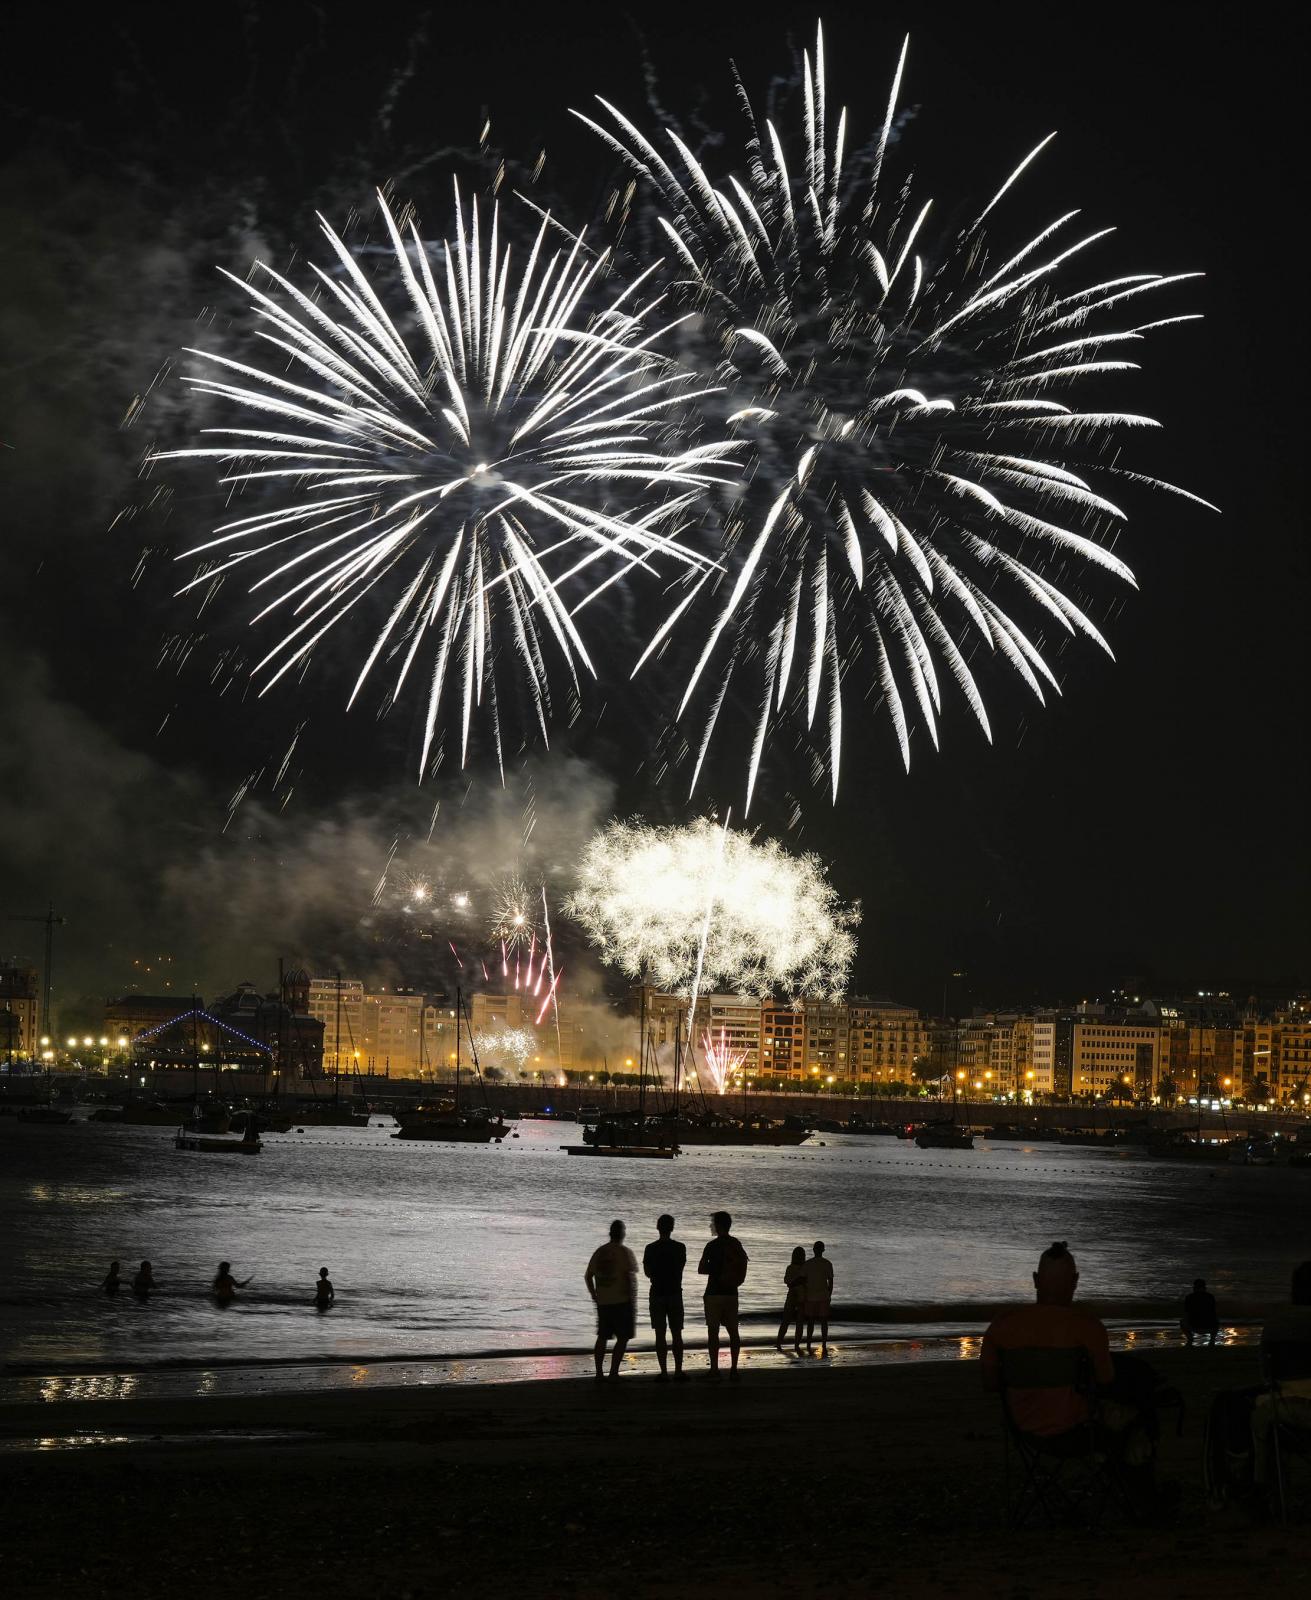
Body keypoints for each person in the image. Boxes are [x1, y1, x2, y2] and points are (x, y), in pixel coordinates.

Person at [982, 1242, 1171, 1518]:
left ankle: (1131, 1487)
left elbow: (990, 1384)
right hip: (1080, 1434)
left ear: (1035, 1280)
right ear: (1075, 1281)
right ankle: (1145, 1500)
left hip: (1024, 1432)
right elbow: (1106, 1380)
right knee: (1141, 1411)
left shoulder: (1002, 1325)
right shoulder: (1088, 1326)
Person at [1252, 1260, 1311, 1487]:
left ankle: (1263, 1486)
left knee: (1258, 1417)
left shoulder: (1277, 1324)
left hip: (1287, 1413)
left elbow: (1266, 1375)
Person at [584, 1220, 638, 1379]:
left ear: (610, 1233)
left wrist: (594, 1294)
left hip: (603, 1302)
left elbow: (588, 1276)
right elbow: (630, 1278)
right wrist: (632, 1300)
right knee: (623, 1337)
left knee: (602, 1337)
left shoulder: (599, 1251)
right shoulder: (625, 1252)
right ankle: (613, 1372)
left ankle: (599, 1373)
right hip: (621, 1301)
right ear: (622, 1234)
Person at [698, 1211, 748, 1377]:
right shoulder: (736, 1244)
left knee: (713, 1333)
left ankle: (714, 1369)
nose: (711, 1226)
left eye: (713, 1223)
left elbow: (701, 1268)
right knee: (733, 1332)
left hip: (714, 1293)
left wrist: (715, 1269)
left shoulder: (711, 1246)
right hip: (731, 1293)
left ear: (719, 1226)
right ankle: (734, 1369)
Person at [643, 1215, 687, 1380]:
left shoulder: (650, 1248)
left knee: (660, 1334)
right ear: (672, 1228)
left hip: (657, 1293)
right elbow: (680, 1268)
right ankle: (678, 1371)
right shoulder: (680, 1247)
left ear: (657, 1227)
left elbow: (647, 1273)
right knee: (677, 1333)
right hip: (675, 1292)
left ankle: (663, 1372)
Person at [803, 1241, 835, 1358]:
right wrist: (829, 1295)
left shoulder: (808, 1264)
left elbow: (803, 1279)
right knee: (823, 1322)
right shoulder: (827, 1263)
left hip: (811, 1296)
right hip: (823, 1296)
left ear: (813, 1250)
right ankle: (824, 1344)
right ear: (823, 1250)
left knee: (811, 1321)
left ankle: (808, 1343)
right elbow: (830, 1282)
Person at [776, 1247, 806, 1351]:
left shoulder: (790, 1267)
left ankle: (779, 1342)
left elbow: (787, 1281)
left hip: (792, 1294)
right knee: (799, 1322)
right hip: (802, 1295)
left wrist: (793, 1282)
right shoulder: (805, 1268)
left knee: (786, 1320)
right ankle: (796, 1345)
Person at [1183, 1278, 1219, 1346]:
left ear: (1194, 1287)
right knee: (1217, 1320)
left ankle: (1190, 1338)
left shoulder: (1189, 1297)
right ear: (1205, 1287)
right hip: (1209, 1326)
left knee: (1182, 1321)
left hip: (1194, 1326)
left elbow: (1186, 1313)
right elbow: (1214, 1313)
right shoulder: (1210, 1297)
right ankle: (1212, 1339)